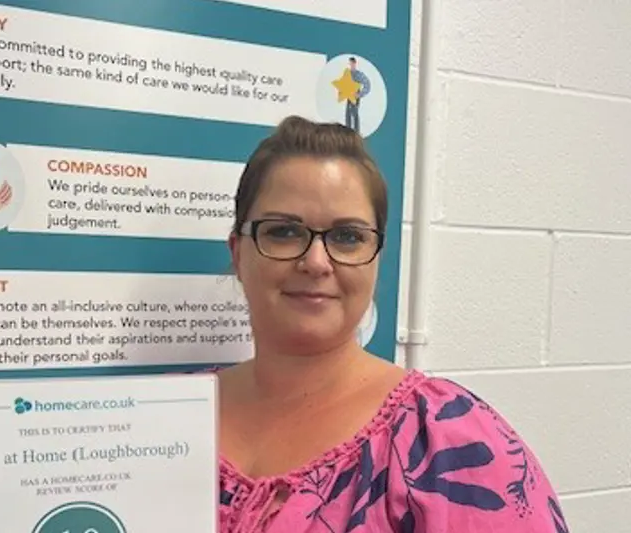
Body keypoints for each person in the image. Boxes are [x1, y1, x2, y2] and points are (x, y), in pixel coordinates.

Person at [215, 115, 568, 532]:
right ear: (238, 253)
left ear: (376, 258)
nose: (315, 262)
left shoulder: (447, 441)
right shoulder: (169, 414)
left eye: (347, 237)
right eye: (284, 231)